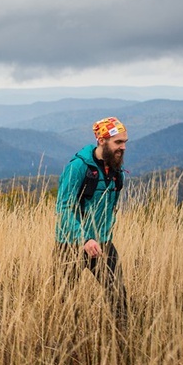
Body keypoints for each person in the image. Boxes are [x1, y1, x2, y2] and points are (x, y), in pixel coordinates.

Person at [54, 116, 129, 334]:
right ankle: (66, 348)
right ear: (101, 141)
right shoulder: (78, 167)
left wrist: (101, 235)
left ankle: (121, 344)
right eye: (118, 142)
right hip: (70, 245)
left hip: (103, 244)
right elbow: (63, 208)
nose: (123, 148)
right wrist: (84, 238)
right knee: (66, 304)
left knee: (119, 298)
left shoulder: (117, 171)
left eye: (125, 142)